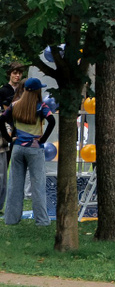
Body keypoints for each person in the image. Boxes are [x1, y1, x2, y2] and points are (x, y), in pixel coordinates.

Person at [3, 77, 55, 226]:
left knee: (14, 185)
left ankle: (11, 219)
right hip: (35, 149)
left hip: (18, 148)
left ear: (25, 90)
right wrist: (43, 139)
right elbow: (52, 121)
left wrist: (8, 138)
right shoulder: (41, 106)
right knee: (38, 186)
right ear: (38, 91)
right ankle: (42, 220)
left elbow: (1, 119)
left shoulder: (15, 105)